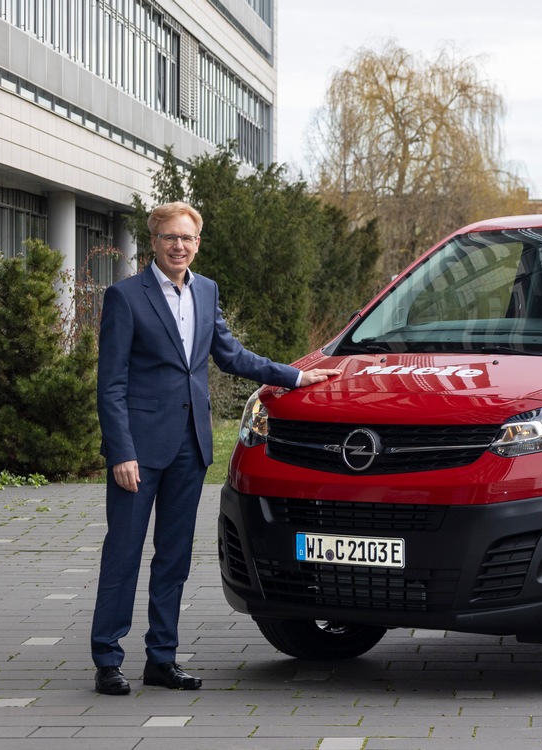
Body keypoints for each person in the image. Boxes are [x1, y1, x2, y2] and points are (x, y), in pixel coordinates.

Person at [91, 201, 340, 695]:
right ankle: (107, 659)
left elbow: (230, 354)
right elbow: (111, 385)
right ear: (154, 242)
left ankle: (162, 658)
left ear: (197, 243)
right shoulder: (125, 297)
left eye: (186, 238)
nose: (178, 246)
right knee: (123, 555)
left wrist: (294, 376)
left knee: (174, 558)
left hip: (190, 448)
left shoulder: (206, 291)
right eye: (169, 238)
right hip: (137, 453)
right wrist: (121, 451)